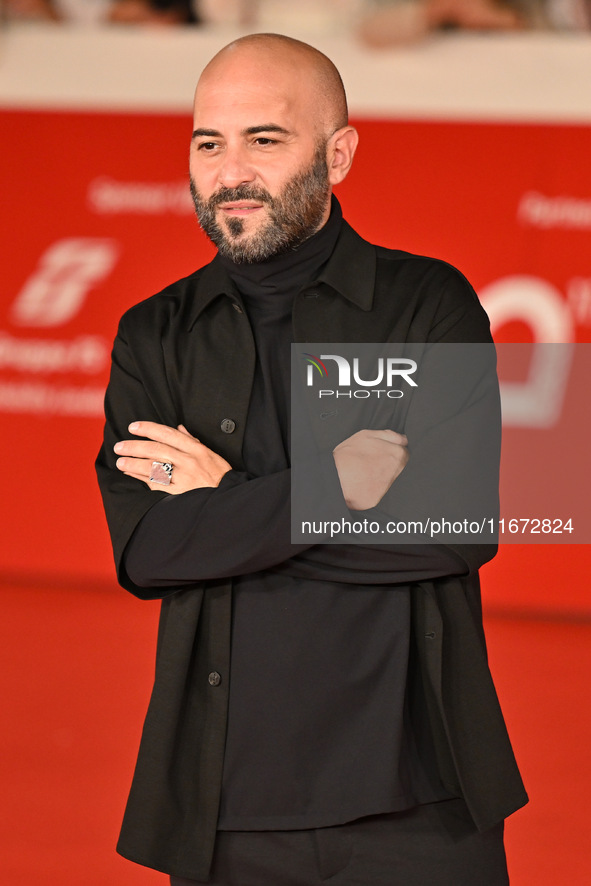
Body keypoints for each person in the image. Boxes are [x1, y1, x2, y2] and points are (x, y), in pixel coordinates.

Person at [96, 33, 527, 886]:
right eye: (207, 142)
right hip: (225, 810)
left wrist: (228, 502)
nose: (230, 172)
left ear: (338, 154)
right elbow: (149, 552)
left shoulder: (427, 302)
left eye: (264, 139)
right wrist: (337, 486)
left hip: (421, 804)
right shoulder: (154, 332)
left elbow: (455, 533)